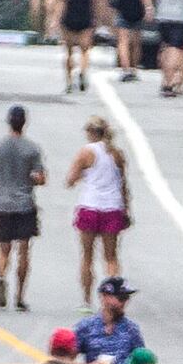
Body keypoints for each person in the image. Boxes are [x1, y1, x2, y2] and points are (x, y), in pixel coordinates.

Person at [0, 104, 46, 309]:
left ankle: (1, 276)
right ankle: (19, 296)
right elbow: (41, 178)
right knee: (24, 250)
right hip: (25, 204)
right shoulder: (32, 149)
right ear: (24, 123)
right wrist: (33, 179)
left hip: (3, 204)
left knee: (3, 247)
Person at [67, 115, 130, 297]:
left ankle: (86, 300)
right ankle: (113, 295)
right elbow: (123, 184)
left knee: (87, 256)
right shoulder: (116, 153)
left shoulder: (85, 152)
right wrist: (126, 209)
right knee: (111, 256)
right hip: (112, 207)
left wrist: (83, 175)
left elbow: (70, 180)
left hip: (90, 206)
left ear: (90, 132)